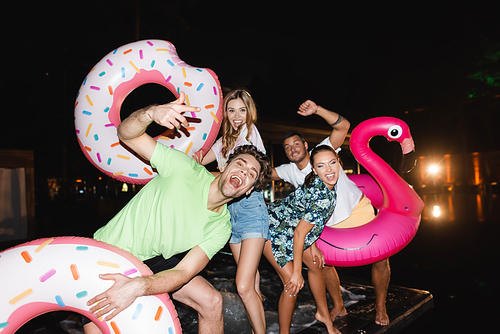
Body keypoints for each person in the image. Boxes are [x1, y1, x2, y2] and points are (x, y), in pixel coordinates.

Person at [83, 92, 272, 334]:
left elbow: (184, 271)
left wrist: (140, 286)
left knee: (212, 301)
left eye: (251, 174)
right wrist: (151, 113)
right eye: (240, 164)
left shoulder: (222, 226)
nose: (244, 172)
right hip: (110, 250)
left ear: (249, 191)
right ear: (224, 166)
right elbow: (126, 134)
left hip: (153, 259)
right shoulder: (183, 168)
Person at [271, 99, 391, 326]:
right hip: (327, 222)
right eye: (287, 147)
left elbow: (343, 126)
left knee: (381, 257)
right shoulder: (288, 170)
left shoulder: (322, 152)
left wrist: (317, 110)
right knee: (321, 263)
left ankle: (381, 305)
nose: (292, 149)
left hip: (357, 209)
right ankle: (338, 305)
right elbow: (262, 174)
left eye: (296, 144)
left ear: (306, 145)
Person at [194, 89, 269, 334]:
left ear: (249, 112)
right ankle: (258, 323)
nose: (237, 115)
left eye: (242, 110)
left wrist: (208, 173)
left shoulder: (249, 133)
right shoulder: (226, 140)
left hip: (250, 209)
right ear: (224, 113)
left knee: (244, 286)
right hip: (229, 212)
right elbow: (199, 160)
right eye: (231, 110)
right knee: (252, 283)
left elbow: (235, 175)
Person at [264, 145, 341, 334]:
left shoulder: (325, 183)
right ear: (314, 170)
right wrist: (297, 272)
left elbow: (305, 217)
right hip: (272, 228)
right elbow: (300, 232)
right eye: (321, 166)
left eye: (332, 163)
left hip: (290, 228)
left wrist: (312, 245)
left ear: (339, 162)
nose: (329, 170)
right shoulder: (321, 196)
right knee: (292, 283)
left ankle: (324, 316)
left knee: (316, 265)